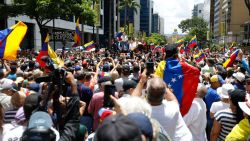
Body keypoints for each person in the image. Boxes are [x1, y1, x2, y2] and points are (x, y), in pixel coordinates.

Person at [135, 76, 193, 141]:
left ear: (146, 92)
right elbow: (173, 99)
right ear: (164, 94)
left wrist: (141, 81)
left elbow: (132, 99)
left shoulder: (140, 111)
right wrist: (160, 82)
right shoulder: (173, 108)